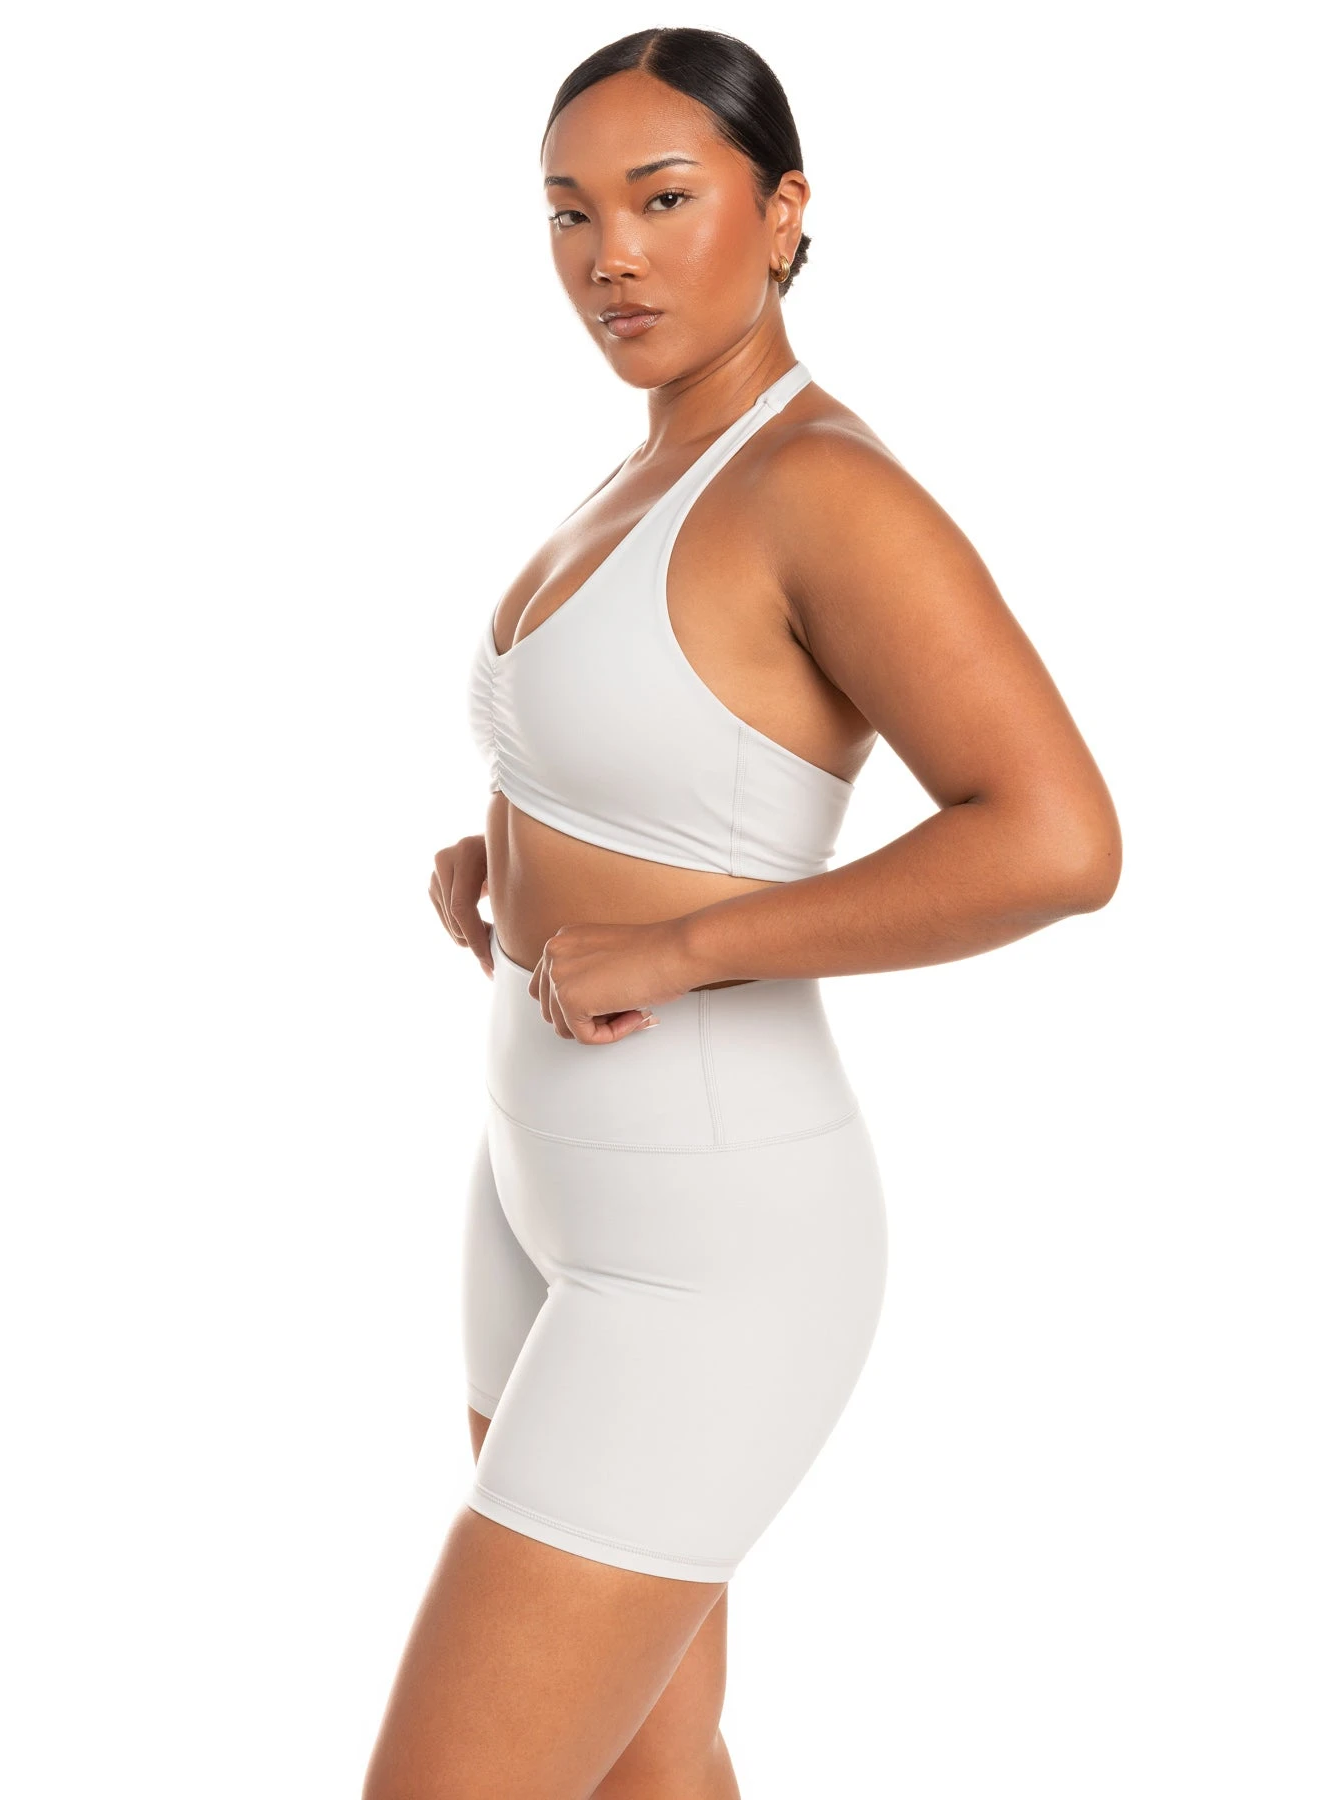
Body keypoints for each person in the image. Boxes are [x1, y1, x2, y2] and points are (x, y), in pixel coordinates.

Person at [365, 25, 1120, 1800]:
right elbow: (668, 764)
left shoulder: (819, 486)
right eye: (568, 213)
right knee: (651, 1769)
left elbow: (1057, 838)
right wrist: (503, 854)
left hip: (708, 1235)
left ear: (783, 212)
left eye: (662, 200)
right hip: (540, 1184)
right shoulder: (650, 468)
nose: (608, 257)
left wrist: (685, 947)